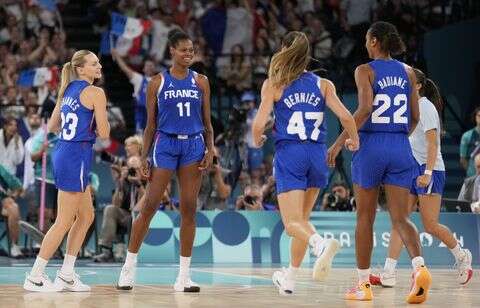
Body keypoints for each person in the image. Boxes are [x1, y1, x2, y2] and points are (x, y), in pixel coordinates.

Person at [328, 21, 431, 303]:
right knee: (401, 218)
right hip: (400, 146)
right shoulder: (408, 72)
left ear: (374, 41)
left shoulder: (365, 70)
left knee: (365, 218)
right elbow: (415, 117)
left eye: (365, 39)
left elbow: (363, 110)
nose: (364, 44)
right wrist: (397, 137)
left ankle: (363, 285)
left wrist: (339, 142)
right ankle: (419, 267)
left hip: (371, 146)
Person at [251, 31, 359, 295]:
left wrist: (258, 138)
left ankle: (320, 243)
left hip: (291, 154)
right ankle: (290, 278)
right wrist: (354, 139)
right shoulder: (323, 85)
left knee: (292, 225)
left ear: (286, 50)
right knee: (301, 220)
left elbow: (257, 124)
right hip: (317, 155)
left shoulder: (274, 84)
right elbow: (346, 116)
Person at [117, 29, 214, 292]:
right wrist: (143, 155)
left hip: (194, 144)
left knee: (189, 209)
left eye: (191, 50)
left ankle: (183, 276)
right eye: (184, 50)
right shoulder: (157, 82)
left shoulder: (201, 81)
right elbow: (150, 125)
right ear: (172, 51)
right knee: (149, 205)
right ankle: (129, 267)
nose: (189, 54)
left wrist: (210, 149)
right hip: (166, 143)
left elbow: (207, 123)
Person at [369, 69, 473, 288]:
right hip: (410, 169)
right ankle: (388, 272)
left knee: (430, 225)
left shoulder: (425, 107)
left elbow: (433, 143)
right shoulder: (406, 107)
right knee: (400, 220)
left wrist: (426, 173)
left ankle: (462, 255)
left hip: (431, 170)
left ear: (417, 86)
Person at [23, 50, 110, 292]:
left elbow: (52, 126)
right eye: (94, 64)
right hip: (76, 156)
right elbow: (104, 134)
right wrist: (100, 119)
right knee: (64, 221)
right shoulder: (96, 92)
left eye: (98, 62)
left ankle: (67, 275)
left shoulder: (68, 88)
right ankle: (35, 275)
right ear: (81, 69)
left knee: (86, 216)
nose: (99, 66)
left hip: (64, 151)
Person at [111, 49, 157, 134]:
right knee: (140, 140)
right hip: (141, 114)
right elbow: (125, 68)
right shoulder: (139, 78)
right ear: (143, 68)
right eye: (148, 65)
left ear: (155, 68)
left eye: (151, 65)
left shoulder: (161, 81)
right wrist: (117, 56)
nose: (150, 67)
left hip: (154, 115)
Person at [460, 107, 480, 177]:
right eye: (479, 115)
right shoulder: (467, 135)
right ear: (475, 117)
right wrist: (470, 172)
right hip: (472, 176)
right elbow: (463, 159)